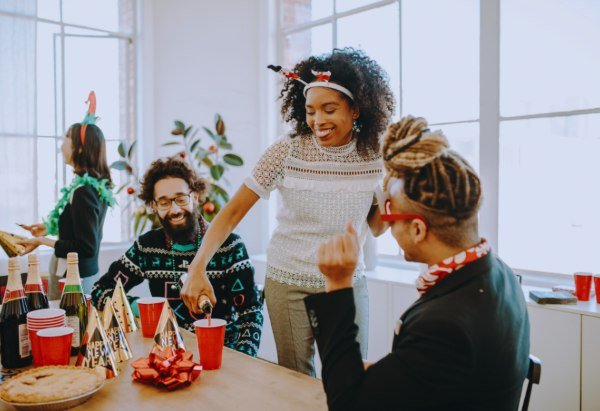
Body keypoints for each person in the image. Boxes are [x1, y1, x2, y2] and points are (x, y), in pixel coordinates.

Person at [181, 48, 395, 375]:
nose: (318, 121)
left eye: (329, 109)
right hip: (288, 281)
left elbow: (376, 229)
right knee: (296, 381)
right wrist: (198, 268)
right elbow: (233, 211)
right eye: (310, 111)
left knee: (350, 376)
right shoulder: (287, 150)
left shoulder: (375, 155)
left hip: (349, 283)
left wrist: (393, 193)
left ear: (355, 109)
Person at [304, 116, 530, 410]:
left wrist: (337, 285)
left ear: (418, 229)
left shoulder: (444, 327)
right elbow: (437, 377)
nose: (387, 225)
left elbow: (349, 405)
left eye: (390, 214)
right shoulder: (499, 273)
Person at [91, 157, 263, 357]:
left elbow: (251, 312)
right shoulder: (147, 246)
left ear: (196, 196)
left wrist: (243, 358)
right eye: (164, 203)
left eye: (181, 199)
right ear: (153, 206)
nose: (174, 210)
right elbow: (100, 291)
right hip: (169, 355)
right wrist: (143, 308)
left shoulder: (231, 246)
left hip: (223, 352)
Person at [19, 92, 114, 297]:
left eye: (66, 139)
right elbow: (80, 228)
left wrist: (42, 241)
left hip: (73, 279)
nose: (61, 145)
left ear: (79, 149)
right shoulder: (92, 188)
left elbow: (86, 247)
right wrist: (46, 229)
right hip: (74, 274)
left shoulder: (84, 193)